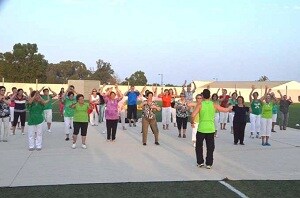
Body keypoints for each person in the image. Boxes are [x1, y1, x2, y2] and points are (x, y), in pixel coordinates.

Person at [191, 89, 232, 169]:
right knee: (210, 147)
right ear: (210, 96)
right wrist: (230, 107)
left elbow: (193, 115)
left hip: (201, 128)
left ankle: (200, 162)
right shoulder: (214, 104)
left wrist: (192, 122)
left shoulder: (200, 105)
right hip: (211, 128)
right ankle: (209, 163)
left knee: (199, 146)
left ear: (202, 96)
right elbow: (224, 110)